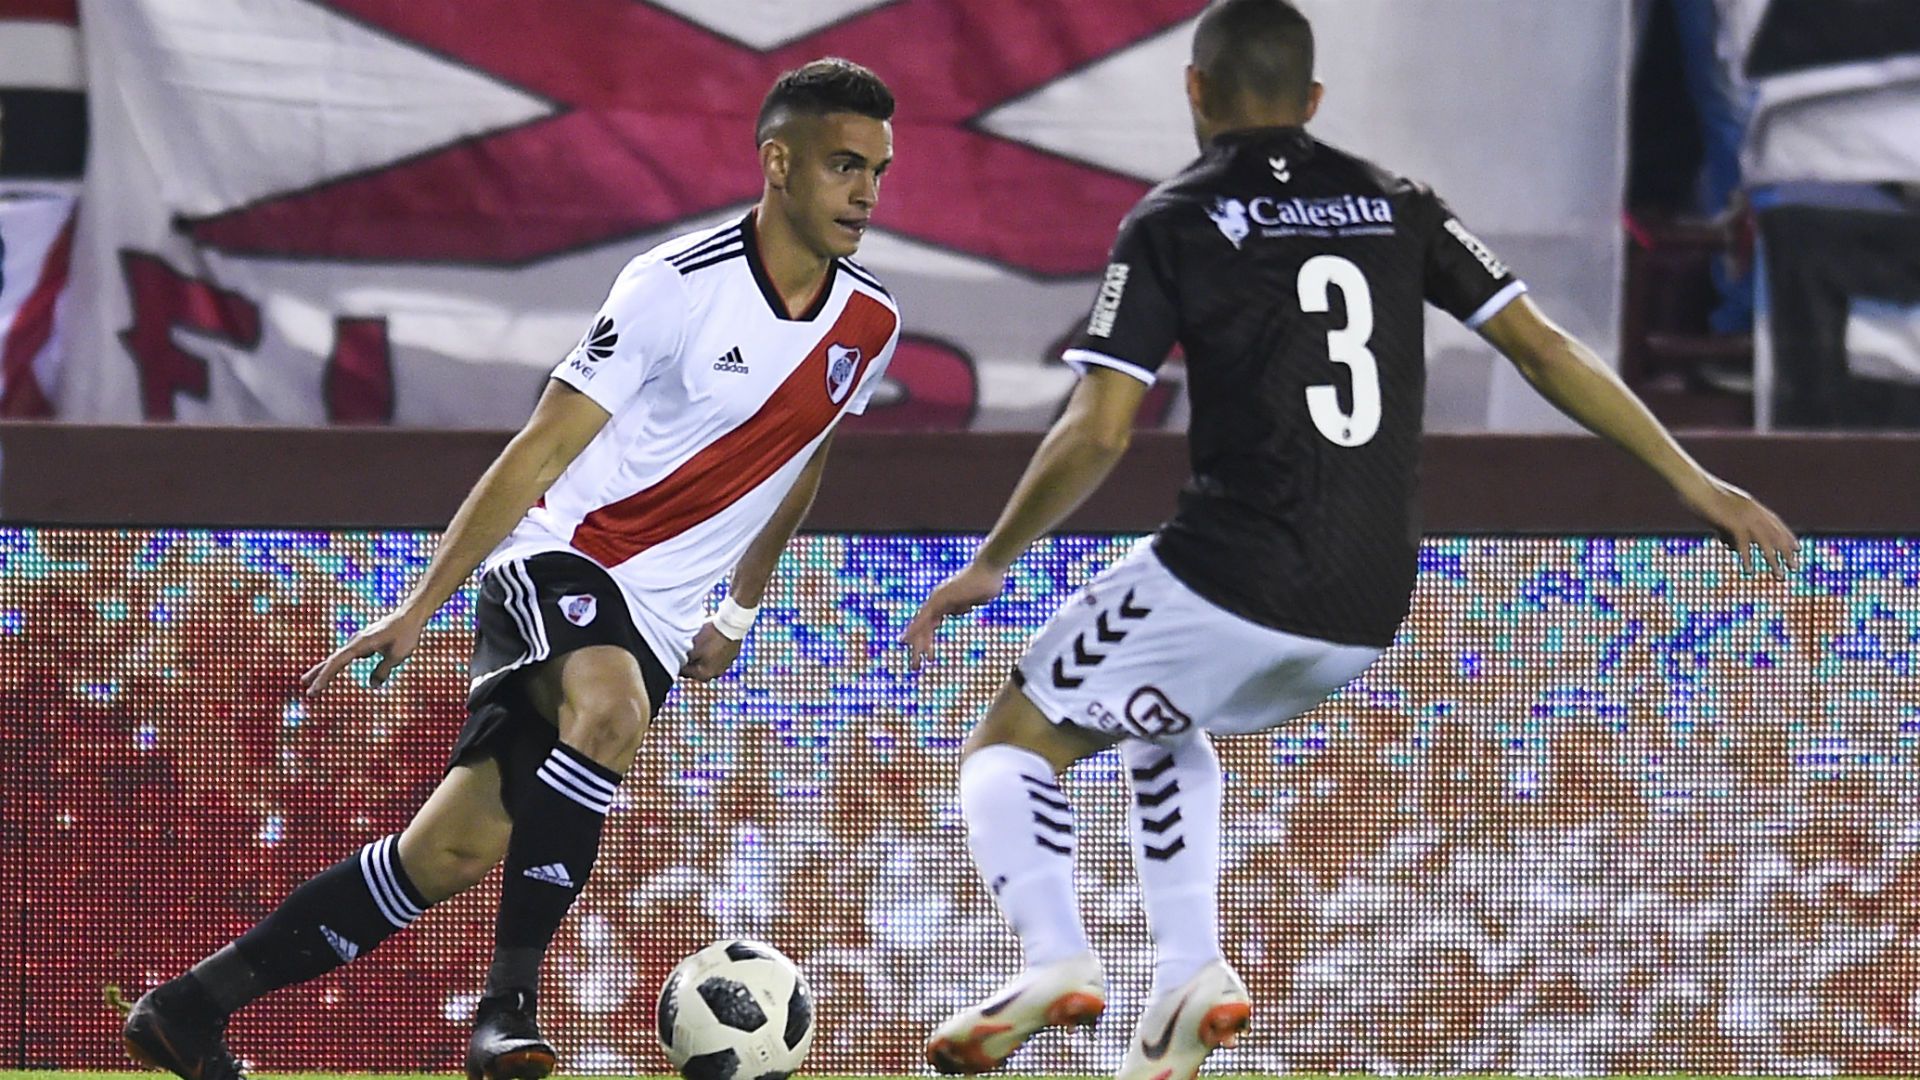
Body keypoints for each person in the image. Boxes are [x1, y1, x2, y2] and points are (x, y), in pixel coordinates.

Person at [900, 3, 1798, 1078]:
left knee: (1012, 739)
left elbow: (1097, 429)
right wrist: (1694, 480)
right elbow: (1545, 347)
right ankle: (1189, 967)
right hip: (1365, 606)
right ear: (1312, 102)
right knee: (1156, 715)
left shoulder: (1174, 220)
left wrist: (994, 558)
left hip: (1233, 568)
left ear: (1195, 91)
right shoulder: (1398, 203)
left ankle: (1054, 956)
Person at [120, 57, 900, 1080]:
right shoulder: (673, 287)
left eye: (879, 171)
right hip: (564, 557)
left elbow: (805, 460)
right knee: (609, 709)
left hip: (663, 617)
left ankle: (189, 1008)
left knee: (443, 854)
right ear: (779, 164)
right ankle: (506, 1015)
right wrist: (420, 603)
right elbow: (537, 448)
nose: (867, 193)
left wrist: (743, 606)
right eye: (845, 165)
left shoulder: (871, 321)